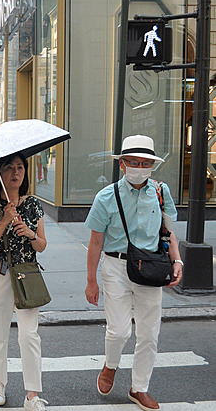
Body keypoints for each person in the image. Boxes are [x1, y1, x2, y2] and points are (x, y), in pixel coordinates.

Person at [84, 135, 182, 411]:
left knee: (150, 333)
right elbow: (95, 242)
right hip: (116, 266)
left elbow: (169, 232)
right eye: (134, 162)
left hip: (150, 267)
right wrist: (91, 281)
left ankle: (139, 388)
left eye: (145, 162)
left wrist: (177, 261)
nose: (140, 167)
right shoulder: (106, 196)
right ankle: (110, 365)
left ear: (152, 164)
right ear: (123, 164)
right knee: (118, 331)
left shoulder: (160, 192)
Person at [0, 153, 49, 410]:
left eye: (20, 167)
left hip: (27, 274)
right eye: (9, 168)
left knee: (29, 334)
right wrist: (5, 219)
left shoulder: (33, 205)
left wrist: (29, 233)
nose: (16, 173)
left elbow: (42, 244)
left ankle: (32, 395)